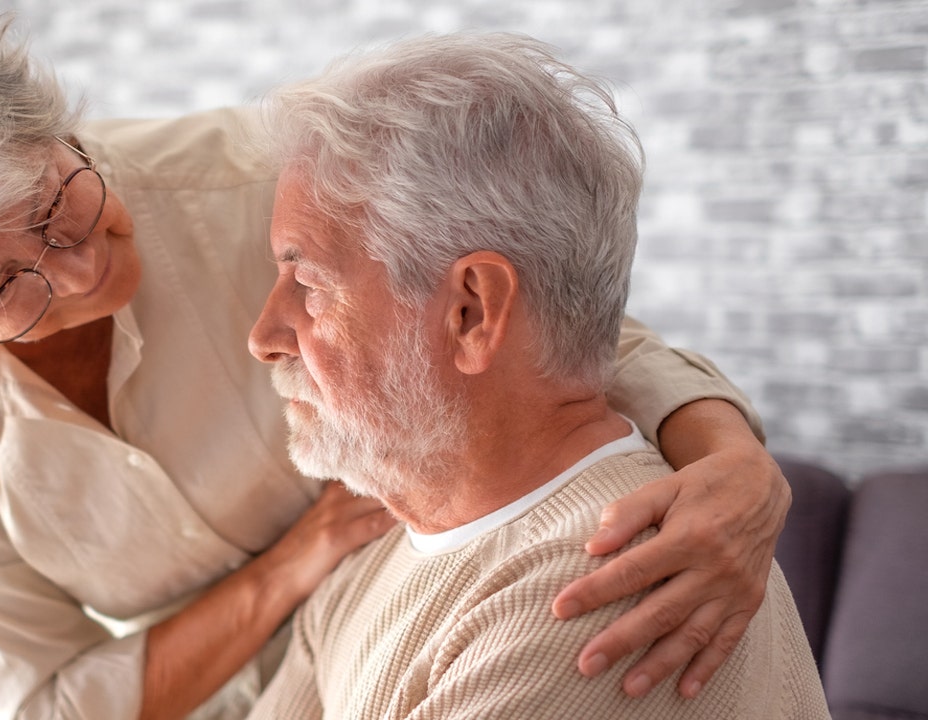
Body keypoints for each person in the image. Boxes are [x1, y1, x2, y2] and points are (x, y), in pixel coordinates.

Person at [0, 16, 791, 720]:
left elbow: (538, 316)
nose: (83, 265)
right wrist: (295, 565)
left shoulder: (259, 182)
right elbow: (45, 705)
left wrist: (730, 463)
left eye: (54, 204)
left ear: (44, 126)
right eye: (2, 290)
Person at [243, 32, 827, 719]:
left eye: (308, 284)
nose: (264, 338)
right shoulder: (375, 556)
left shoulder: (606, 588)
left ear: (472, 312)